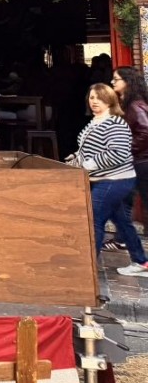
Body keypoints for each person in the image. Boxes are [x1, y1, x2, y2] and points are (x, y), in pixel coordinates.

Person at [72, 83, 148, 276]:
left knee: (94, 220)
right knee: (123, 222)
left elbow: (118, 154)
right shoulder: (97, 120)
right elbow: (89, 149)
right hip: (106, 179)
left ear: (110, 101)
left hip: (113, 180)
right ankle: (141, 262)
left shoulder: (114, 122)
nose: (94, 101)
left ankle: (87, 268)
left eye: (100, 98)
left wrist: (88, 165)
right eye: (91, 97)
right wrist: (76, 159)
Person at [113, 65, 148, 273]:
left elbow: (145, 131)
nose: (113, 83)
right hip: (137, 162)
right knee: (123, 201)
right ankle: (123, 239)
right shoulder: (131, 104)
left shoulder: (135, 105)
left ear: (127, 81)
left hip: (141, 163)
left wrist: (126, 150)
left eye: (116, 79)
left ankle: (141, 260)